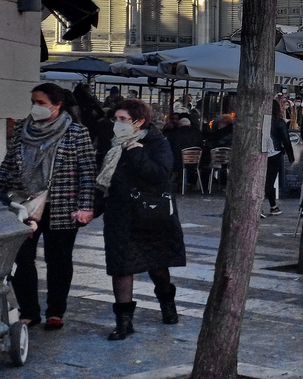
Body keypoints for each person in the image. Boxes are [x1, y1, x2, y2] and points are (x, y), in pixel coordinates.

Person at [0, 83, 96, 329]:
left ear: (57, 104)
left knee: (59, 259)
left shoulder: (76, 133)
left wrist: (86, 206)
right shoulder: (22, 128)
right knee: (21, 258)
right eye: (33, 101)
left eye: (41, 103)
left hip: (62, 205)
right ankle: (29, 311)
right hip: (25, 204)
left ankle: (56, 311)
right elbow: (9, 164)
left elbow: (87, 172)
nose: (36, 107)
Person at [97, 99, 187, 340]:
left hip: (150, 215)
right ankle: (123, 323)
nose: (117, 124)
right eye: (115, 119)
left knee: (158, 266)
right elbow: (102, 178)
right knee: (121, 267)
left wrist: (136, 152)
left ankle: (167, 303)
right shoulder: (111, 144)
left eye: (123, 119)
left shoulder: (157, 142)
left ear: (139, 122)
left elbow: (160, 174)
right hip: (119, 214)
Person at [261, 96, 294, 217]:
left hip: (261, 151)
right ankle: (265, 206)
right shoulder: (279, 121)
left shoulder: (262, 120)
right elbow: (286, 139)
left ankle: (273, 205)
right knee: (270, 180)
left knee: (265, 180)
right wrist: (291, 156)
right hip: (274, 152)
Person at [164, 113, 203, 184]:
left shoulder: (175, 134)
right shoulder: (198, 133)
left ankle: (170, 182)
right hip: (196, 162)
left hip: (178, 162)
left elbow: (168, 145)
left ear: (179, 125)